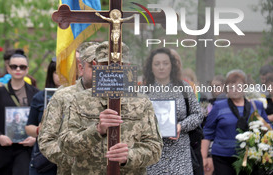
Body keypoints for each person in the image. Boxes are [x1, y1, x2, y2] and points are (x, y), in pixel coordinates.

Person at [57, 41, 163, 175]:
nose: (112, 70)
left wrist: (128, 157)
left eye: (119, 65)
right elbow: (65, 145)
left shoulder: (142, 102)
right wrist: (97, 130)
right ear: (95, 66)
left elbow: (155, 149)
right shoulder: (78, 100)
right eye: (105, 64)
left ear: (127, 67)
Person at [38, 42, 99, 175]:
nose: (99, 72)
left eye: (105, 67)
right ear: (81, 68)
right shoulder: (63, 96)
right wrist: (76, 159)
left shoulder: (121, 99)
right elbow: (46, 141)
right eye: (93, 67)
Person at [144, 47, 204, 175]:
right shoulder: (143, 90)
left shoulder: (184, 88)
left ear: (172, 66)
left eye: (165, 63)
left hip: (180, 153)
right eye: (157, 64)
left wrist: (180, 126)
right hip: (153, 154)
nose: (161, 67)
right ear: (151, 67)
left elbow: (198, 115)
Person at [201, 71, 272, 175]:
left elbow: (267, 129)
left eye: (238, 86)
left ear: (244, 87)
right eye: (231, 86)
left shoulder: (256, 106)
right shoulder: (218, 106)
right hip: (222, 158)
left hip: (250, 158)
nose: (235, 89)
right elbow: (207, 133)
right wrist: (203, 157)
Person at [0, 53, 38, 175]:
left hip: (26, 150)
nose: (18, 69)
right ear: (8, 69)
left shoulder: (36, 93)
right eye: (14, 66)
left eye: (22, 67)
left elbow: (42, 123)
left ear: (27, 70)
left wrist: (35, 138)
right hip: (3, 151)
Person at [25, 58, 60, 175]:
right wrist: (39, 129)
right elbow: (29, 127)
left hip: (68, 158)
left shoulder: (78, 95)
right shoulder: (40, 97)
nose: (60, 76)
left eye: (64, 71)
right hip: (43, 159)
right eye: (56, 72)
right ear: (51, 74)